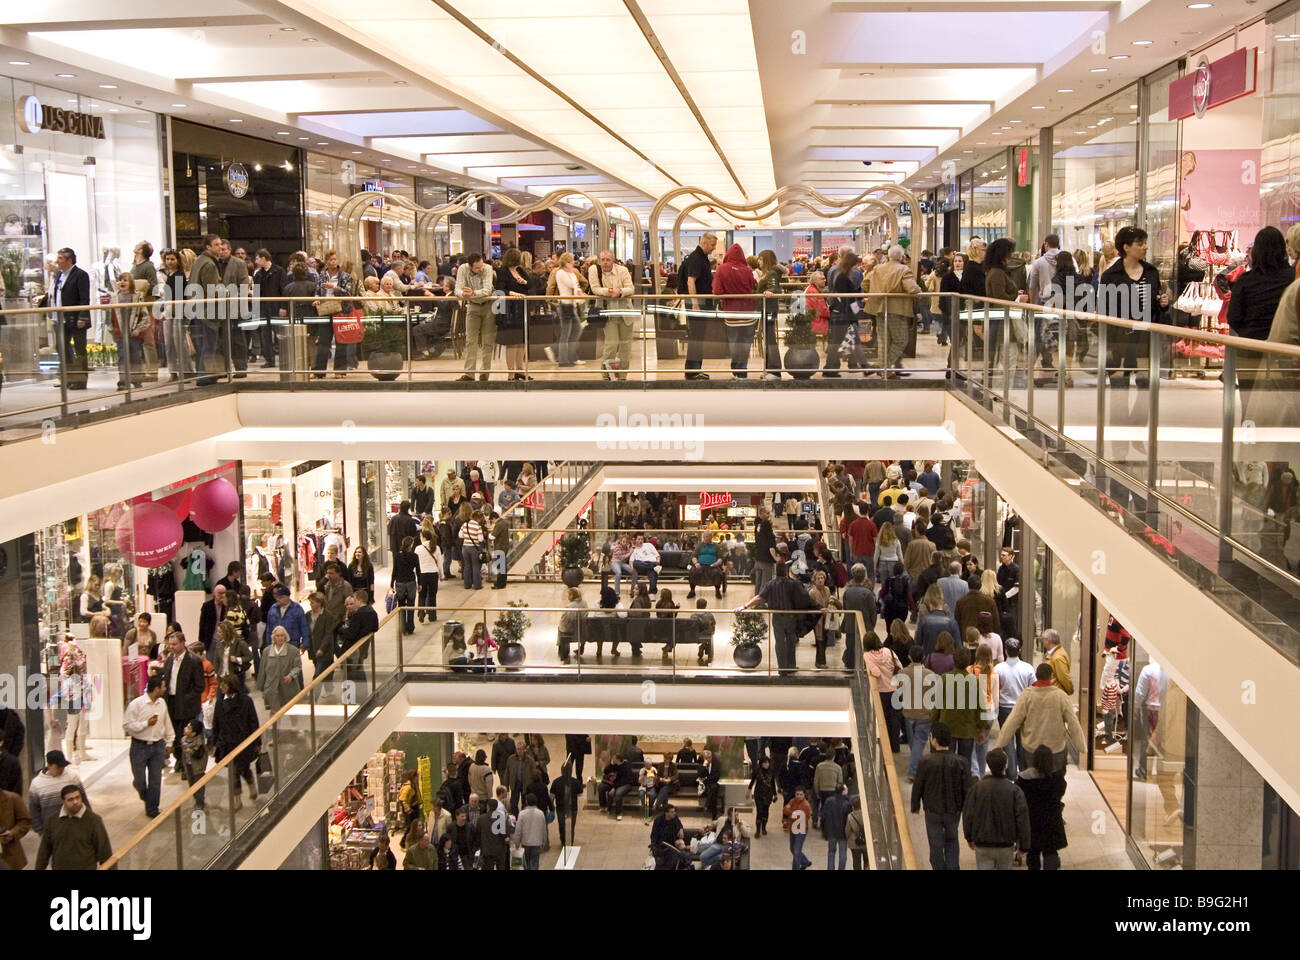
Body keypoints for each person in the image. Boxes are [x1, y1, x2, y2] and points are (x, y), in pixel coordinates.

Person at [1098, 225, 1170, 386]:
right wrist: (1107, 345)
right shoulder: (1111, 276)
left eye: (1145, 243)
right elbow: (1104, 311)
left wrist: (1163, 303)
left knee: (1145, 388)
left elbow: (1156, 302)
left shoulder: (1151, 272)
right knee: (1118, 388)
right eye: (1139, 243)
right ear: (1126, 247)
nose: (1145, 247)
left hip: (1145, 340)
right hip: (1119, 340)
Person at [996, 662, 1086, 774]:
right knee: (1055, 782)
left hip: (1032, 748)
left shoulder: (1027, 696)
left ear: (1036, 675)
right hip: (1056, 748)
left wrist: (1000, 743)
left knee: (1034, 782)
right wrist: (1081, 746)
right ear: (1052, 677)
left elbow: (1012, 721)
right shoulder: (1061, 696)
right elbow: (1073, 723)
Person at [736, 561, 815, 675]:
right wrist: (818, 607)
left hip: (777, 617)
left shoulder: (770, 584)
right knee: (791, 641)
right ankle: (791, 666)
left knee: (779, 643)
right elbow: (805, 598)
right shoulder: (793, 583)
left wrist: (744, 606)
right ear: (787, 571)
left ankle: (782, 669)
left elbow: (759, 597)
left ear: (775, 571)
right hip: (791, 616)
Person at [910, 721, 971, 870]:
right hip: (954, 810)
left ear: (934, 740)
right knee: (952, 839)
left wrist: (915, 805)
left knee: (935, 845)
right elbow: (967, 789)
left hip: (932, 810)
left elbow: (918, 785)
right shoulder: (962, 762)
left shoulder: (926, 761)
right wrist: (966, 808)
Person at [961, 747, 1030, 870]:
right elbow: (1022, 818)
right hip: (1006, 844)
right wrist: (1024, 845)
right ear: (1006, 765)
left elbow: (968, 814)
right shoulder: (1014, 790)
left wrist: (969, 836)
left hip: (982, 843)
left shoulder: (977, 789)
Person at [864, 245, 924, 375]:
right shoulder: (904, 270)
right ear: (902, 257)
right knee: (900, 340)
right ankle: (882, 367)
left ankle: (884, 370)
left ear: (889, 256)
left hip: (879, 308)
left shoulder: (877, 268)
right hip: (897, 310)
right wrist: (920, 291)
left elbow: (865, 283)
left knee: (884, 341)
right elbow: (912, 289)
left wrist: (875, 291)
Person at [123, 675, 173, 818]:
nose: (165, 689)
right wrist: (146, 724)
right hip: (139, 746)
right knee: (139, 780)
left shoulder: (162, 703)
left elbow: (166, 723)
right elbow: (127, 726)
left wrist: (169, 742)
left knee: (155, 780)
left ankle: (152, 809)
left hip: (157, 746)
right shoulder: (136, 704)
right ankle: (145, 795)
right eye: (163, 686)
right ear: (156, 689)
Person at [33, 784, 112, 871]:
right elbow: (44, 851)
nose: (75, 802)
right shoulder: (53, 821)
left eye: (77, 797)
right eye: (70, 799)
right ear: (63, 801)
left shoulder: (94, 820)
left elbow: (105, 852)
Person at [1015, 743, 1068, 870]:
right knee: (1051, 851)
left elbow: (1019, 799)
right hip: (1052, 821)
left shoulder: (1024, 779)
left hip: (1032, 822)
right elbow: (1061, 791)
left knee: (1033, 852)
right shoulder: (1057, 779)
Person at [213, 675, 260, 809]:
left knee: (243, 768)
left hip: (243, 742)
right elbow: (216, 723)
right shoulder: (220, 703)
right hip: (228, 743)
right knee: (234, 772)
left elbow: (253, 722)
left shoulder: (246, 701)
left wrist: (257, 741)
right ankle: (237, 799)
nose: (221, 688)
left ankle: (250, 786)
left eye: (224, 685)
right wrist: (215, 741)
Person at [679, 232, 717, 380]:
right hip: (697, 305)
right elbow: (690, 281)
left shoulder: (702, 258)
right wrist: (695, 303)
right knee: (696, 336)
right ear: (705, 242)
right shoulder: (696, 258)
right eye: (712, 245)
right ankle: (692, 371)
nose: (713, 248)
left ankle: (695, 369)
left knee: (699, 337)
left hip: (701, 303)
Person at [27, 750, 89, 835]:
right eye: (58, 767)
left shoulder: (72, 777)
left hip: (75, 827)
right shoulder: (36, 784)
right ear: (49, 766)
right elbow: (34, 811)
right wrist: (40, 831)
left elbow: (84, 801)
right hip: (51, 832)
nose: (61, 769)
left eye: (63, 766)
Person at [456, 252, 497, 380]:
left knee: (487, 341)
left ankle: (485, 373)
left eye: (481, 266)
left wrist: (472, 293)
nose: (480, 269)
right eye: (477, 268)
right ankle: (469, 373)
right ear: (470, 266)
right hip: (472, 306)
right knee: (470, 341)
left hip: (489, 306)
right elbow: (457, 289)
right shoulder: (462, 269)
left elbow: (487, 290)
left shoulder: (488, 268)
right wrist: (464, 294)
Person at [782, 787, 813, 870]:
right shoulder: (792, 801)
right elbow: (785, 810)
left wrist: (791, 813)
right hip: (792, 828)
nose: (798, 796)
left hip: (801, 830)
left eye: (800, 794)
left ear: (804, 795)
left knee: (796, 851)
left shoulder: (806, 805)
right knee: (792, 849)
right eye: (797, 794)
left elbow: (799, 817)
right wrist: (793, 814)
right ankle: (805, 862)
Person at [514, 794, 547, 870]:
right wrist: (544, 841)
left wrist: (517, 842)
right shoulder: (540, 813)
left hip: (526, 843)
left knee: (527, 864)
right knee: (535, 863)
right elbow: (544, 829)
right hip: (537, 842)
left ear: (526, 802)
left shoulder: (522, 814)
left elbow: (518, 830)